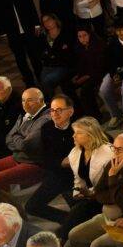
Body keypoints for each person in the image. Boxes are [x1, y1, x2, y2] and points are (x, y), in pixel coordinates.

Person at [0, 88, 50, 192]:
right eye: (23, 100)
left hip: (35, 162)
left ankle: (9, 204)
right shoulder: (25, 115)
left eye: (30, 100)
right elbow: (8, 138)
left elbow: (26, 144)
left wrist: (17, 138)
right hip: (18, 156)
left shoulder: (46, 119)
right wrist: (19, 139)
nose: (25, 104)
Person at [24, 94, 76, 226]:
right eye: (52, 110)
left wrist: (71, 159)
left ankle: (74, 220)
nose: (55, 114)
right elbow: (46, 159)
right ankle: (67, 219)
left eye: (59, 110)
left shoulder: (79, 126)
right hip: (57, 174)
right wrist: (61, 162)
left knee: (78, 208)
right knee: (31, 206)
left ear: (70, 111)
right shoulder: (47, 128)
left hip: (77, 175)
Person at [60, 116, 114, 241]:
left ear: (90, 135)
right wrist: (78, 192)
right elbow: (78, 178)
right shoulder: (76, 152)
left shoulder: (108, 153)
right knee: (72, 202)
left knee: (76, 213)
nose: (74, 136)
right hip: (88, 195)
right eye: (74, 133)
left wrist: (91, 193)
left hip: (104, 195)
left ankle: (61, 240)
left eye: (78, 133)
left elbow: (110, 184)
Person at [100, 22, 123, 131]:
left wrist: (121, 73)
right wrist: (113, 74)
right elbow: (108, 61)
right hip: (115, 71)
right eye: (117, 31)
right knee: (103, 89)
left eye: (122, 30)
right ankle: (116, 114)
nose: (120, 33)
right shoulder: (112, 43)